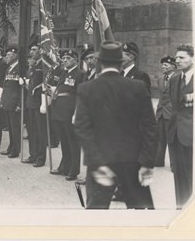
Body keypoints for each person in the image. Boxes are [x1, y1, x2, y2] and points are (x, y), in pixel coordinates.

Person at [74, 41, 158, 209]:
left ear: (100, 62)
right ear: (120, 63)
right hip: (132, 162)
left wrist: (96, 163)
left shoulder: (87, 88)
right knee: (141, 215)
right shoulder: (138, 87)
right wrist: (147, 163)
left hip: (101, 162)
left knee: (96, 214)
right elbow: (150, 128)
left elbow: (82, 128)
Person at [50, 49, 85, 180]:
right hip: (59, 110)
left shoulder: (80, 74)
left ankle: (74, 169)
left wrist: (76, 113)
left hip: (70, 112)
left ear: (76, 60)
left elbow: (80, 95)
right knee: (64, 141)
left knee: (73, 142)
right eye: (63, 58)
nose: (65, 60)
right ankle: (64, 165)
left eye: (68, 58)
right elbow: (61, 89)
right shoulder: (63, 73)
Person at [167, 44, 194, 209]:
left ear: (193, 58)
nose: (177, 60)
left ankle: (193, 207)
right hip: (175, 133)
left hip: (193, 134)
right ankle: (180, 205)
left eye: (182, 57)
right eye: (176, 57)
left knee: (193, 173)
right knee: (178, 173)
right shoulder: (174, 79)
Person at [23, 41, 48, 167]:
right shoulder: (32, 66)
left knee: (40, 131)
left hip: (39, 103)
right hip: (30, 102)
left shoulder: (44, 65)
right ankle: (33, 154)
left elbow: (46, 85)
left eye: (34, 50)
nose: (31, 52)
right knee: (31, 130)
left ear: (41, 51)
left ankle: (40, 157)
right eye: (31, 50)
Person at [0, 47, 21, 158]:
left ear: (14, 55)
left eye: (8, 55)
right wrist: (3, 100)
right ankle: (11, 146)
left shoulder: (19, 68)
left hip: (14, 103)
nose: (6, 57)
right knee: (10, 127)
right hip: (8, 101)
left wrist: (19, 104)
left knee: (15, 127)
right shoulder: (9, 68)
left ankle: (16, 149)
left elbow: (20, 89)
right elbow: (5, 85)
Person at [155, 56, 177, 167]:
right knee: (159, 137)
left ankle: (174, 164)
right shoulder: (160, 79)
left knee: (171, 139)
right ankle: (158, 161)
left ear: (173, 66)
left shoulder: (177, 78)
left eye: (166, 65)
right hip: (160, 112)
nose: (163, 67)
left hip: (171, 113)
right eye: (162, 65)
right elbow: (161, 95)